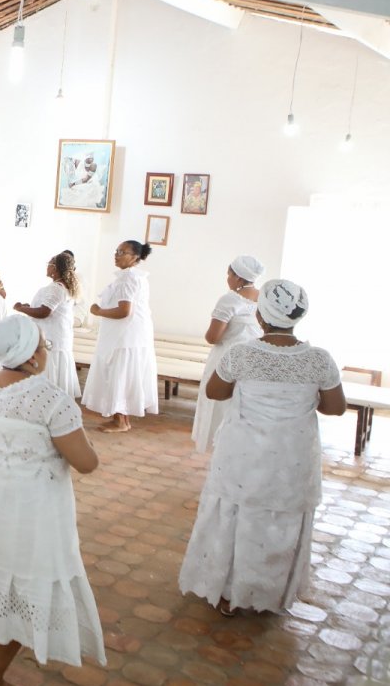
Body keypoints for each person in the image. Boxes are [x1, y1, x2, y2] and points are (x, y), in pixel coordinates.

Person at [0, 316, 104, 686]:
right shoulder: (50, 400)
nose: (46, 351)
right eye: (43, 345)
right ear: (30, 357)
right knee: (23, 596)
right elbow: (86, 463)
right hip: (24, 518)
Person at [179, 280, 345, 615]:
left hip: (244, 455)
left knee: (237, 517)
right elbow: (335, 407)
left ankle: (226, 591)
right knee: (281, 522)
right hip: (292, 459)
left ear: (260, 315)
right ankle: (271, 593)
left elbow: (215, 392)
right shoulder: (318, 359)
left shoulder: (242, 354)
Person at [82, 240, 158, 432]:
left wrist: (98, 311)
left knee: (120, 374)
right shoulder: (129, 277)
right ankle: (119, 418)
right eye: (116, 250)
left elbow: (125, 311)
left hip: (126, 336)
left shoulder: (129, 278)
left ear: (135, 257)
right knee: (118, 373)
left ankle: (122, 421)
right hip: (127, 335)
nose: (116, 254)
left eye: (122, 252)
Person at [190, 256, 264, 452]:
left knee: (220, 404)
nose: (228, 278)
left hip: (226, 359)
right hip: (253, 360)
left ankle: (219, 446)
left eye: (229, 274)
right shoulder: (263, 298)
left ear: (238, 278)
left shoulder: (230, 300)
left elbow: (213, 337)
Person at [13, 252, 81, 397]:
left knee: (48, 372)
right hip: (58, 336)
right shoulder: (63, 286)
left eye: (49, 264)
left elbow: (44, 312)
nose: (47, 267)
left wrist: (21, 309)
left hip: (51, 337)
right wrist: (29, 307)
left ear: (55, 268)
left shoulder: (56, 288)